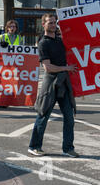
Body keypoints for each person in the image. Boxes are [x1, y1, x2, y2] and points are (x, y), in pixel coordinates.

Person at [28, 13, 79, 157]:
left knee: (69, 117)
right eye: (50, 23)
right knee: (43, 116)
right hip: (50, 84)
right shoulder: (43, 43)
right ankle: (34, 146)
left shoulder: (60, 40)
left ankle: (68, 148)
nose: (53, 25)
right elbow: (48, 67)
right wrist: (66, 68)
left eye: (54, 22)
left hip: (64, 84)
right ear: (43, 24)